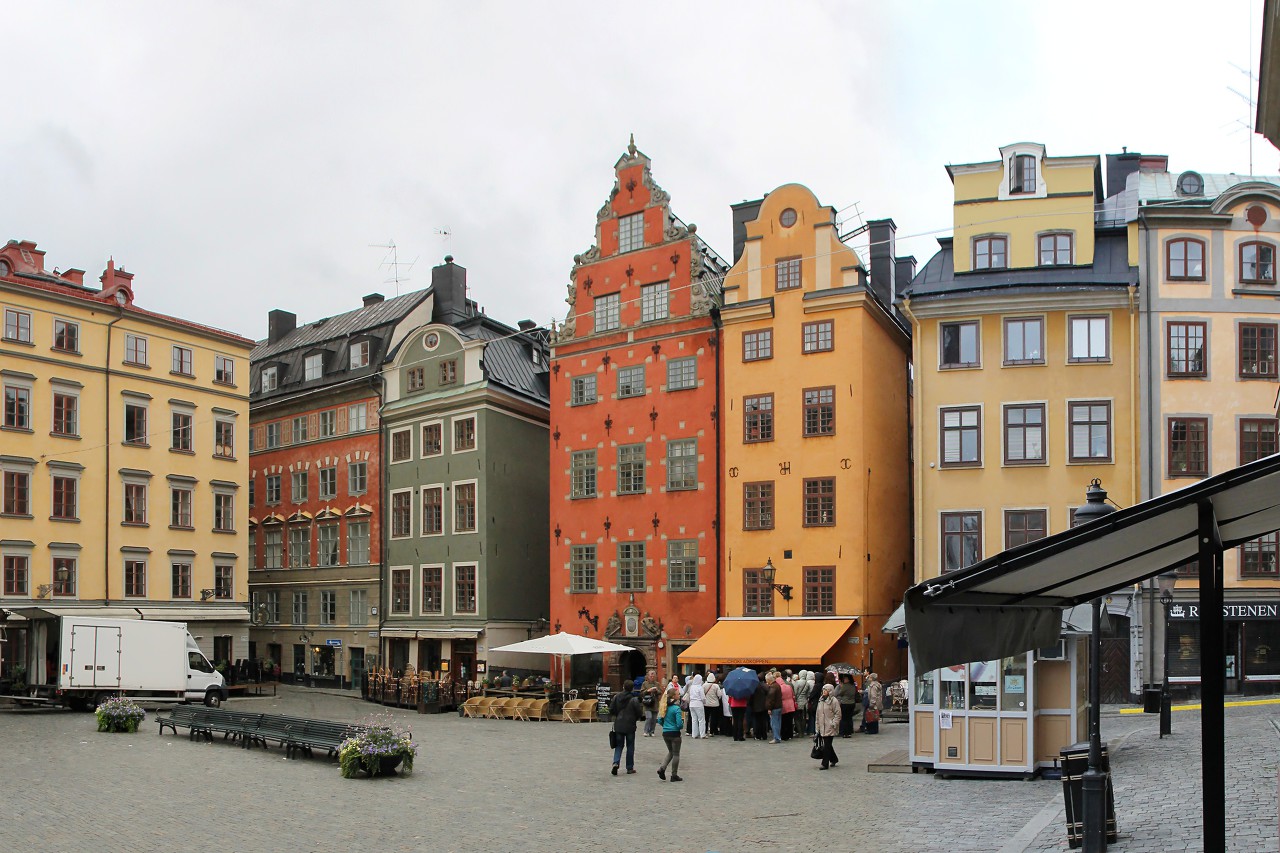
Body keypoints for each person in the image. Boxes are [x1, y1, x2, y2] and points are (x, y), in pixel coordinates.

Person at [609, 682, 643, 775]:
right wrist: (635, 718)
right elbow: (639, 713)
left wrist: (617, 715)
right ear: (632, 688)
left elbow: (611, 709)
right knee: (630, 746)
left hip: (619, 724)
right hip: (630, 725)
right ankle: (629, 767)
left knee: (619, 746)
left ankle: (616, 762)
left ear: (623, 687)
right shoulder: (634, 699)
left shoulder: (616, 697)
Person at [657, 687, 684, 782]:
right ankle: (674, 775)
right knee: (676, 754)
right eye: (677, 694)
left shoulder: (664, 706)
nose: (679, 695)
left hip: (665, 733)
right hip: (675, 734)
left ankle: (662, 768)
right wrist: (681, 724)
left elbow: (660, 719)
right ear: (673, 696)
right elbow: (679, 724)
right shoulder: (676, 708)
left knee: (670, 752)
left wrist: (665, 725)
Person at [815, 682, 841, 769]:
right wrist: (817, 725)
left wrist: (834, 723)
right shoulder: (821, 700)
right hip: (822, 725)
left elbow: (838, 713)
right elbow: (818, 714)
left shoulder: (834, 701)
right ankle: (834, 759)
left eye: (825, 690)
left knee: (827, 744)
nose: (824, 691)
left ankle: (824, 763)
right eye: (823, 690)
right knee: (828, 744)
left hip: (830, 726)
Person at [640, 670, 661, 737]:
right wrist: (648, 690)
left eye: (653, 675)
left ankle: (652, 731)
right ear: (648, 676)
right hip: (647, 703)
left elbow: (660, 692)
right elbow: (642, 693)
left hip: (655, 703)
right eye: (651, 675)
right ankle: (646, 731)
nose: (652, 676)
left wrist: (657, 690)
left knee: (654, 719)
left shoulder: (657, 684)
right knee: (649, 717)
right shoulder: (644, 683)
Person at [792, 670, 813, 737]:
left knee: (797, 718)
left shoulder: (797, 682)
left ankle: (800, 732)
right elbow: (808, 694)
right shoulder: (807, 683)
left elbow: (795, 692)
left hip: (798, 702)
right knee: (803, 718)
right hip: (805, 702)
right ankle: (803, 732)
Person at [765, 671, 783, 743]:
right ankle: (778, 737)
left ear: (769, 680)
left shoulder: (772, 687)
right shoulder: (777, 685)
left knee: (774, 723)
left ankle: (776, 738)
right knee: (778, 723)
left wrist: (769, 708)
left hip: (774, 707)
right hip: (779, 706)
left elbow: (771, 699)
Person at [687, 673, 706, 739]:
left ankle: (694, 734)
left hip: (691, 704)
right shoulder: (700, 687)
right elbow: (703, 697)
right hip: (698, 704)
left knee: (694, 719)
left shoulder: (692, 687)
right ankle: (702, 734)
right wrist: (704, 702)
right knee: (701, 719)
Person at [779, 672, 797, 741]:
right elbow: (793, 694)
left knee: (784, 721)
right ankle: (790, 734)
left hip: (784, 705)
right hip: (791, 704)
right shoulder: (790, 685)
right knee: (789, 720)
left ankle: (784, 735)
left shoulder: (780, 686)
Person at [702, 672, 722, 737]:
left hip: (706, 704)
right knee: (713, 719)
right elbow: (719, 695)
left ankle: (705, 730)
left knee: (706, 718)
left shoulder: (704, 685)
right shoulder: (716, 686)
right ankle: (712, 731)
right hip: (715, 705)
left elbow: (702, 694)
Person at [750, 677, 769, 741]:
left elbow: (751, 697)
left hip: (756, 706)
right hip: (764, 706)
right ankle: (764, 735)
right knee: (764, 721)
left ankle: (758, 735)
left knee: (757, 721)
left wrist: (750, 705)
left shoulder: (753, 687)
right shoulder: (765, 686)